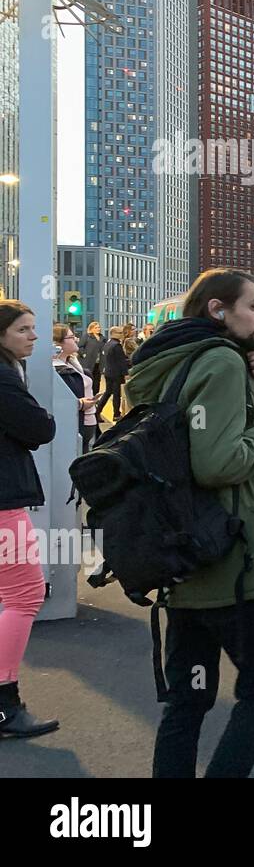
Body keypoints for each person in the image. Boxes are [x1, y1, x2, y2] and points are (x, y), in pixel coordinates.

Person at [125, 269, 254, 778]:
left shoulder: (173, 360)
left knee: (190, 699)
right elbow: (217, 463)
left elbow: (199, 439)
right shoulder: (221, 363)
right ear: (218, 310)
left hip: (184, 562)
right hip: (234, 565)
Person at [0, 301, 59, 739]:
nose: (34, 337)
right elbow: (40, 428)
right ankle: (4, 703)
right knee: (25, 594)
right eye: (24, 329)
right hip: (3, 503)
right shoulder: (2, 376)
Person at [53, 324, 100, 454]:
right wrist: (80, 404)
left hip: (87, 422)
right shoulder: (56, 370)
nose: (76, 339)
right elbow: (57, 400)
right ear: (58, 343)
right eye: (71, 337)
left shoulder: (73, 363)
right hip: (77, 425)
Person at [99, 325, 128, 420]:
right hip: (116, 373)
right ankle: (116, 414)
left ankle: (97, 411)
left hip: (108, 371)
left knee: (107, 392)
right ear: (114, 334)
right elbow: (121, 361)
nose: (122, 335)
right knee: (116, 394)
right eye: (120, 333)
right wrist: (125, 373)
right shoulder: (117, 345)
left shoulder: (108, 344)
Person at [79, 320, 106, 395]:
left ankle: (95, 396)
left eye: (99, 327)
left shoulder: (103, 338)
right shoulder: (87, 337)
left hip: (99, 363)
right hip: (88, 362)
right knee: (88, 379)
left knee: (97, 381)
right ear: (91, 329)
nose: (98, 329)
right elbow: (80, 346)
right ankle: (87, 395)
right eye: (96, 328)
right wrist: (83, 354)